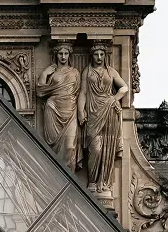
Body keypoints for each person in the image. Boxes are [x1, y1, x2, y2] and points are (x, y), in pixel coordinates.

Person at [78, 42, 128, 197]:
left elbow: (124, 87)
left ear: (105, 56)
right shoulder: (87, 71)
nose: (99, 57)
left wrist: (114, 98)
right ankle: (92, 181)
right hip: (92, 113)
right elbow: (83, 93)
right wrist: (80, 111)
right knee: (96, 148)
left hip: (109, 112)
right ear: (91, 55)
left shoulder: (111, 72)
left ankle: (104, 183)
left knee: (107, 149)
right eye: (96, 54)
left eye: (102, 54)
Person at [37, 43, 81, 171]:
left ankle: (71, 182)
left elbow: (78, 92)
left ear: (69, 55)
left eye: (66, 53)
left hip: (71, 111)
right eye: (60, 53)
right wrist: (45, 73)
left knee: (70, 147)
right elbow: (40, 90)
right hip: (53, 109)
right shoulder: (52, 72)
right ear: (56, 55)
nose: (63, 56)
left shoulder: (75, 72)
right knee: (53, 150)